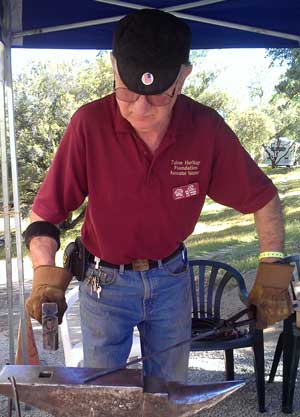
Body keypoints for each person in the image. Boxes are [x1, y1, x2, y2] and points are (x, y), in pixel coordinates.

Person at [24, 8, 293, 383]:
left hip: (171, 279)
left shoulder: (206, 128)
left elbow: (263, 199)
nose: (140, 109)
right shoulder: (89, 123)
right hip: (105, 285)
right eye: (128, 92)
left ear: (183, 77)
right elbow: (45, 214)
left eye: (158, 96)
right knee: (105, 394)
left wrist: (272, 270)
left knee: (170, 390)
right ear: (115, 68)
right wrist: (44, 278)